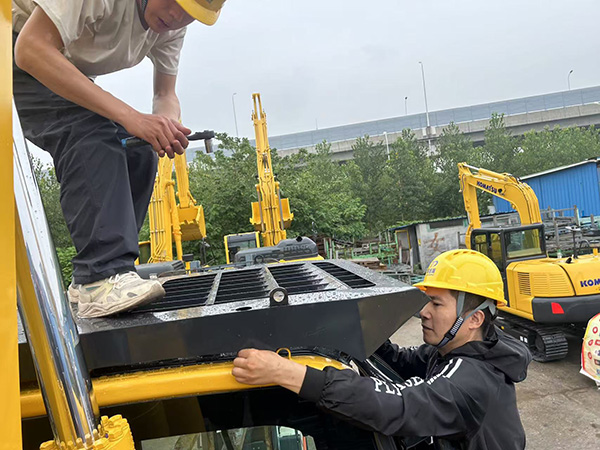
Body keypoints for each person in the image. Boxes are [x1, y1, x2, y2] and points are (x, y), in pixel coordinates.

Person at [12, 0, 226, 318]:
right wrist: (131, 117)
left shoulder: (172, 26)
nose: (176, 16)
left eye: (190, 15)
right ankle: (100, 277)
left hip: (53, 60)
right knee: (89, 132)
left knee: (136, 146)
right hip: (17, 48)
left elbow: (165, 95)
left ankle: (94, 276)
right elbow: (30, 49)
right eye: (175, 2)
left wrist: (165, 126)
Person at [232, 249, 532, 450]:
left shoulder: (471, 381)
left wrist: (286, 372)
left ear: (475, 319)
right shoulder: (454, 352)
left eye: (436, 303)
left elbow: (397, 405)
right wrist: (351, 325)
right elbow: (400, 360)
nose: (423, 312)